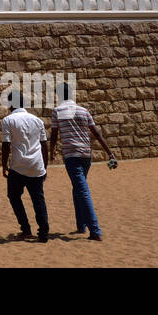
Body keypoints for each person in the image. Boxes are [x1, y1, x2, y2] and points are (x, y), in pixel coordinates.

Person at [49, 81, 115, 242]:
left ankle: (95, 230)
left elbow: (54, 135)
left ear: (58, 96)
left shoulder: (58, 111)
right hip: (86, 155)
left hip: (71, 156)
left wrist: (51, 152)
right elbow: (97, 134)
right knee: (77, 188)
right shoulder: (84, 111)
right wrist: (110, 153)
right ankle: (81, 225)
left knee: (82, 190)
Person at [0, 90, 49, 242]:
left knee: (14, 196)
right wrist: (45, 167)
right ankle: (43, 234)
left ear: (10, 104)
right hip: (36, 166)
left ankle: (26, 229)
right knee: (38, 199)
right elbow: (44, 145)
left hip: (18, 166)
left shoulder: (8, 120)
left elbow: (6, 145)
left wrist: (3, 165)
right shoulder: (37, 120)